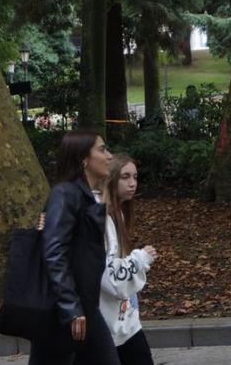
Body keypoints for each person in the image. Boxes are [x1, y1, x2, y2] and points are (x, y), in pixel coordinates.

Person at [32, 130, 117, 365]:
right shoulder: (65, 194)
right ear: (83, 159)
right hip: (65, 310)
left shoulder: (84, 195)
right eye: (102, 149)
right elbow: (54, 252)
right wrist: (71, 307)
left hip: (83, 306)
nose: (109, 156)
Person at [99, 155, 157, 365]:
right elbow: (110, 276)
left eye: (135, 177)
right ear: (111, 178)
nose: (132, 183)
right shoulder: (102, 219)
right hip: (107, 324)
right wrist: (140, 259)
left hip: (126, 322)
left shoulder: (118, 214)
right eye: (125, 177)